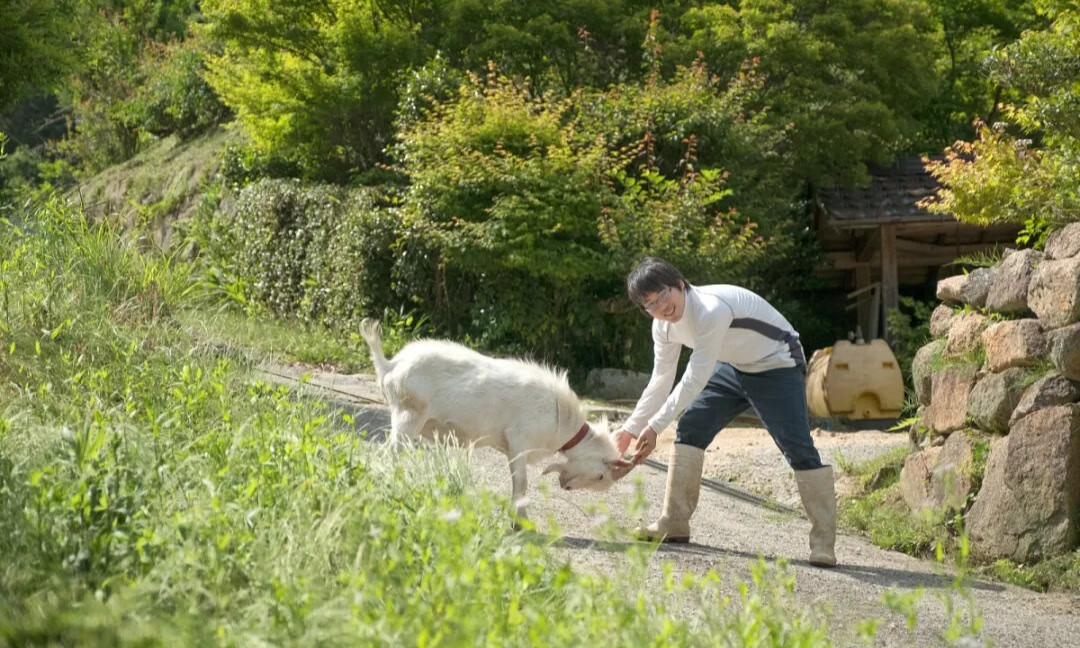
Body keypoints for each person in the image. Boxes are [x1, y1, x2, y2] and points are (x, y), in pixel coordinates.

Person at [612, 256, 837, 567]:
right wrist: (630, 430)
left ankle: (824, 542)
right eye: (650, 304)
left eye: (664, 295)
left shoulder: (711, 309)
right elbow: (661, 380)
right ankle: (673, 521)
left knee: (797, 447)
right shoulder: (662, 327)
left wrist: (655, 427)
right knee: (691, 426)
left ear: (680, 284)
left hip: (777, 363)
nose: (661, 308)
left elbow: (694, 378)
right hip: (733, 367)